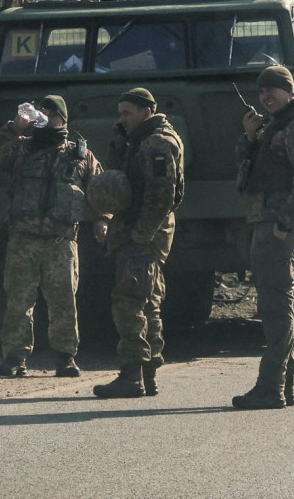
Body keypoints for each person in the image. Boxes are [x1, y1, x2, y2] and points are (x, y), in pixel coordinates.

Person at [0, 95, 107, 378]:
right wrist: (15, 128)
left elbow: (100, 190)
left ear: (63, 119)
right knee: (18, 302)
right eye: (43, 113)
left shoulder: (80, 154)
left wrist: (103, 219)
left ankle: (65, 358)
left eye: (52, 114)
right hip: (23, 241)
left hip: (61, 243)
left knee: (64, 302)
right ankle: (15, 357)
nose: (46, 118)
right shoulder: (21, 149)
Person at [231, 65, 294, 410]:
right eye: (261, 92)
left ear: (289, 91)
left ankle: (270, 386)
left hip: (278, 225)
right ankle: (282, 385)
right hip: (266, 222)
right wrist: (250, 138)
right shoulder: (275, 126)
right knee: (274, 304)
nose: (266, 97)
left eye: (273, 90)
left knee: (275, 306)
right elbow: (247, 169)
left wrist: (285, 224)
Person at [93, 87, 184, 398]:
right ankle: (147, 373)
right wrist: (120, 140)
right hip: (142, 231)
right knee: (148, 302)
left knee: (129, 302)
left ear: (146, 111)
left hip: (144, 233)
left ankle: (132, 375)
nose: (122, 119)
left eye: (127, 113)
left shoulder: (157, 143)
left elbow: (162, 196)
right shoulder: (139, 141)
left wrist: (140, 235)